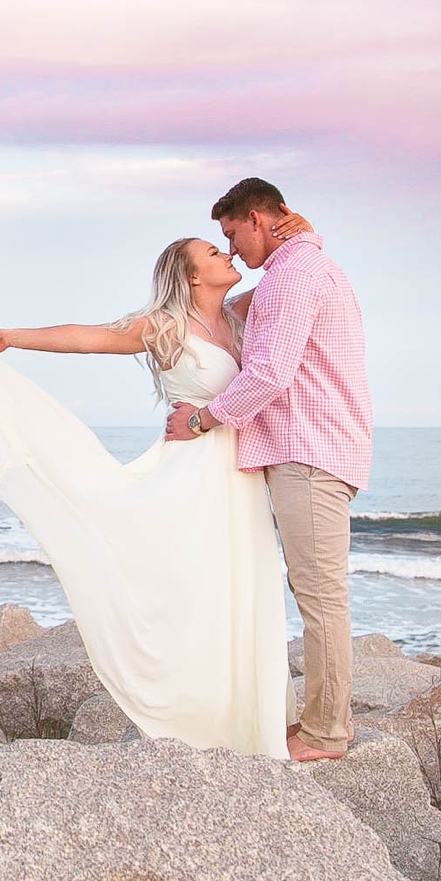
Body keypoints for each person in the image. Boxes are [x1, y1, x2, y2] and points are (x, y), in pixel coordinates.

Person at [0, 205, 313, 758]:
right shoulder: (165, 326)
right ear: (193, 275)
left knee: (241, 592)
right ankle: (190, 712)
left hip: (241, 480)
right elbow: (88, 337)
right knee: (192, 590)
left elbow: (290, 271)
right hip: (191, 474)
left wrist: (302, 229)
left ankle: (250, 721)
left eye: (224, 246)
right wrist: (15, 336)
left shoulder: (244, 312)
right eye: (213, 252)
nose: (226, 254)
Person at [162, 178, 371, 761]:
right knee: (321, 592)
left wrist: (204, 419)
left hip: (308, 453)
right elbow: (227, 311)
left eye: (231, 234)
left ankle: (326, 733)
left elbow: (269, 372)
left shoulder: (291, 275)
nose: (232, 249)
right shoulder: (301, 267)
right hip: (318, 448)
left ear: (257, 219)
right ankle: (326, 724)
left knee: (321, 596)